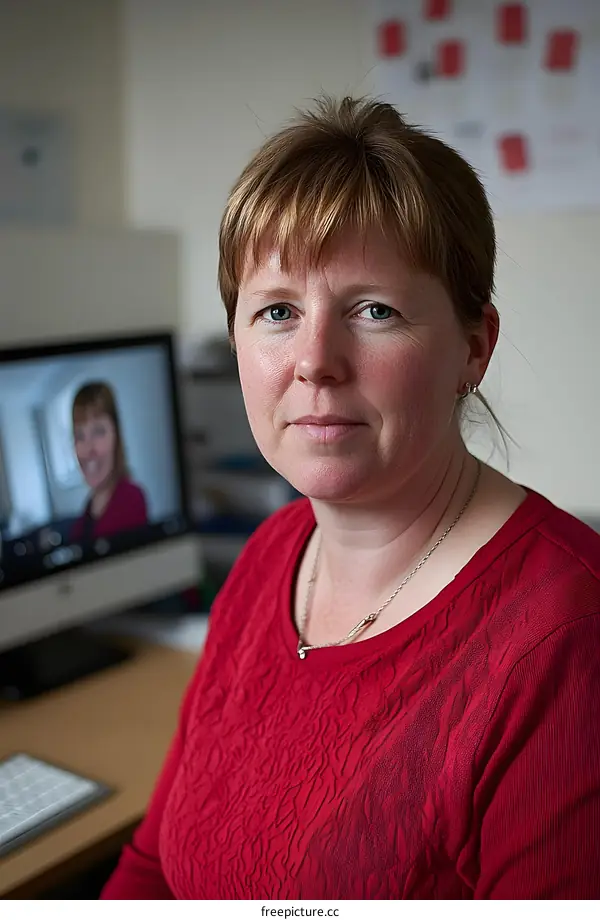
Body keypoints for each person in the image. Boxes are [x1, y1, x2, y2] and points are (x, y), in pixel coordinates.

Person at [101, 97, 600, 900]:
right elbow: (156, 867)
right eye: (278, 311)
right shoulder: (272, 553)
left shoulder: (566, 636)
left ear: (475, 346)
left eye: (374, 310)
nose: (315, 362)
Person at [70, 381, 148, 542]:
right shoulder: (81, 522)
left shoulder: (132, 501)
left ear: (116, 436)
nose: (88, 448)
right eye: (79, 436)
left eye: (98, 432)